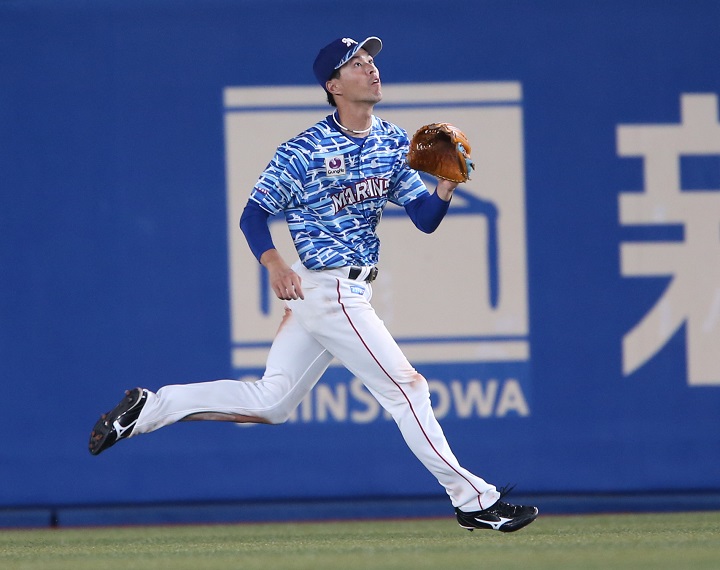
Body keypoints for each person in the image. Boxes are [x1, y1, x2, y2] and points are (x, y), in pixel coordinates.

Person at [89, 35, 538, 533]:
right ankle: (474, 500)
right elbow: (253, 217)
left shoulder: (392, 141)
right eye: (358, 64)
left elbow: (424, 219)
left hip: (341, 292)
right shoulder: (303, 151)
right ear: (333, 84)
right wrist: (275, 265)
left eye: (372, 62)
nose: (371, 70)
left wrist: (445, 190)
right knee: (408, 390)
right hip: (327, 290)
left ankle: (151, 407)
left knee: (272, 403)